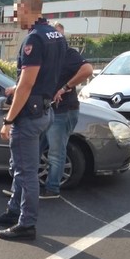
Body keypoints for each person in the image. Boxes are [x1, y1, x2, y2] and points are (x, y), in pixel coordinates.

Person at [0, 0, 66, 241]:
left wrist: (8, 120)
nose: (15, 18)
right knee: (22, 167)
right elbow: (51, 75)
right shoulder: (57, 35)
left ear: (25, 8)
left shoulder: (34, 39)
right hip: (45, 110)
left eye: (16, 12)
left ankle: (26, 224)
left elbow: (26, 85)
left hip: (29, 116)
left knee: (26, 172)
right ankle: (14, 211)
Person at [41, 22, 93, 199]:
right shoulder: (48, 55)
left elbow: (87, 69)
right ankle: (27, 186)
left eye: (59, 36)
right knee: (41, 148)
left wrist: (65, 87)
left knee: (56, 151)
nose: (56, 39)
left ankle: (52, 189)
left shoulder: (69, 54)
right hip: (47, 110)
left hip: (63, 110)